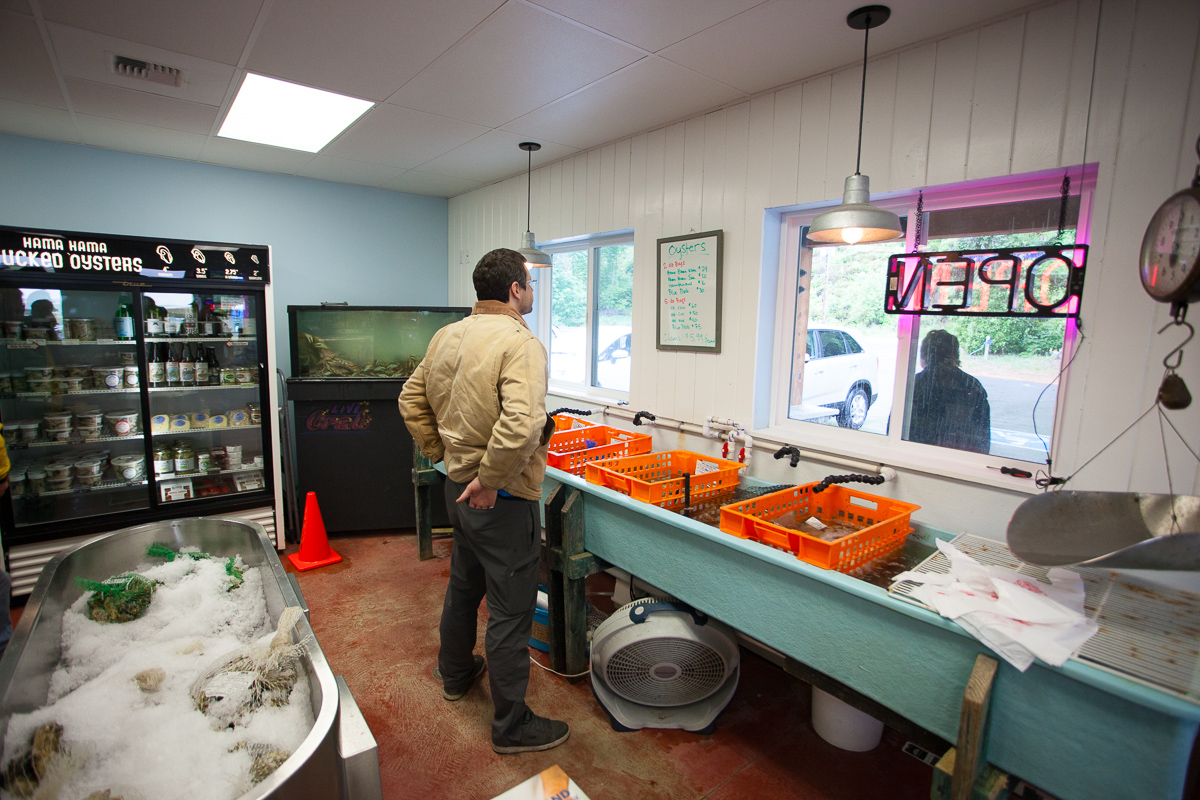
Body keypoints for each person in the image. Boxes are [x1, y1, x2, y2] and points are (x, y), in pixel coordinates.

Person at [398, 248, 566, 755]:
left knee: (464, 587)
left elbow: (409, 398)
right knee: (511, 611)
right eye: (530, 283)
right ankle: (511, 727)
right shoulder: (520, 343)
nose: (532, 292)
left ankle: (455, 674)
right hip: (503, 499)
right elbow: (522, 424)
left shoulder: (447, 335)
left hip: (457, 491)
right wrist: (490, 481)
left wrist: (443, 459)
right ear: (515, 290)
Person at [907, 329, 991, 453]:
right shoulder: (972, 386)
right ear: (955, 355)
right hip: (959, 460)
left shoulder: (913, 384)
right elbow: (982, 442)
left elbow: (894, 431)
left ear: (924, 355)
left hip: (915, 455)